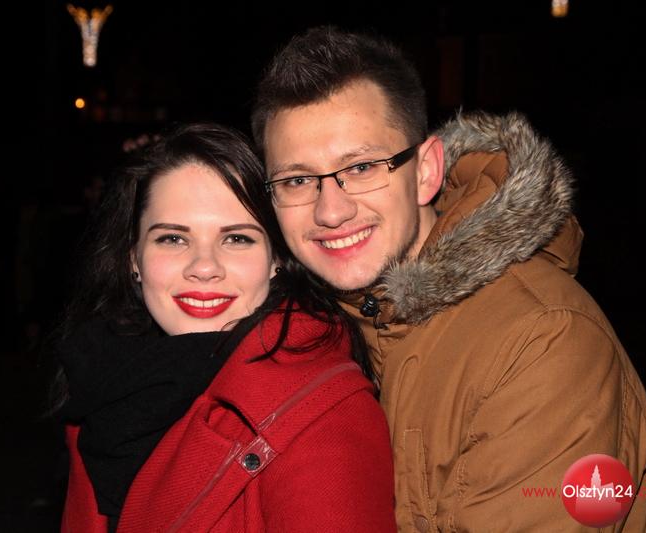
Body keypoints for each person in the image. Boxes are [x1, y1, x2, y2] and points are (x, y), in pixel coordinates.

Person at [252, 26, 646, 531]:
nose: (330, 210)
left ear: (425, 172)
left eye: (362, 168)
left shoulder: (543, 340)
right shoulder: (304, 326)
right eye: (297, 180)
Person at [56, 123, 396, 532]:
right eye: (173, 239)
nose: (204, 267)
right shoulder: (99, 379)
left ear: (276, 260)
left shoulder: (324, 415)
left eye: (236, 239)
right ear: (134, 258)